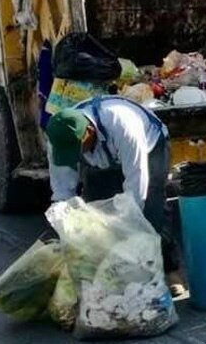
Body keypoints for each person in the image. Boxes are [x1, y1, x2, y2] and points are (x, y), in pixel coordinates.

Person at [44, 96, 184, 295]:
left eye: (77, 151)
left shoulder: (123, 124)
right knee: (97, 220)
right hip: (102, 161)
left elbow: (137, 185)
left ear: (88, 133)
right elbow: (62, 189)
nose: (74, 157)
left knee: (152, 215)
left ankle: (168, 271)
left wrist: (128, 226)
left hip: (149, 148)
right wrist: (65, 226)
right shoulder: (58, 140)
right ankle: (113, 280)